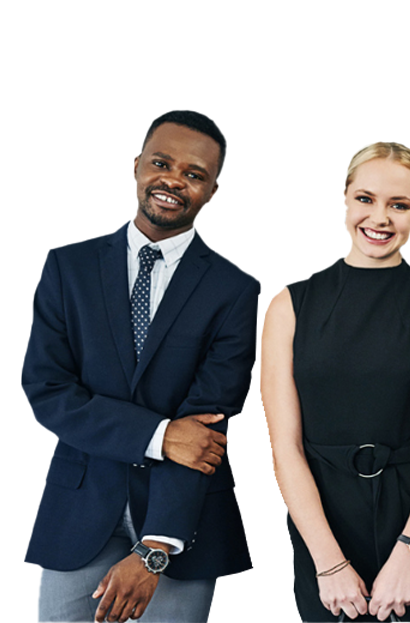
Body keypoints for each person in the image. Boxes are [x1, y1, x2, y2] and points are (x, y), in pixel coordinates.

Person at [23, 109, 256, 623]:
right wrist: (158, 434)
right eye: (161, 163)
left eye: (195, 174)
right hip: (78, 519)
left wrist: (156, 547)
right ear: (136, 167)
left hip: (184, 528)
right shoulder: (67, 268)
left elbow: (208, 424)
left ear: (211, 192)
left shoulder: (236, 290)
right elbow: (48, 390)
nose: (174, 179)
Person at [262, 141, 410, 622]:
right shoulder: (289, 306)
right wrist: (329, 562)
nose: (380, 217)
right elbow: (285, 449)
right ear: (344, 199)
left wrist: (408, 553)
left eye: (399, 205)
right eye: (366, 199)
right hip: (323, 530)